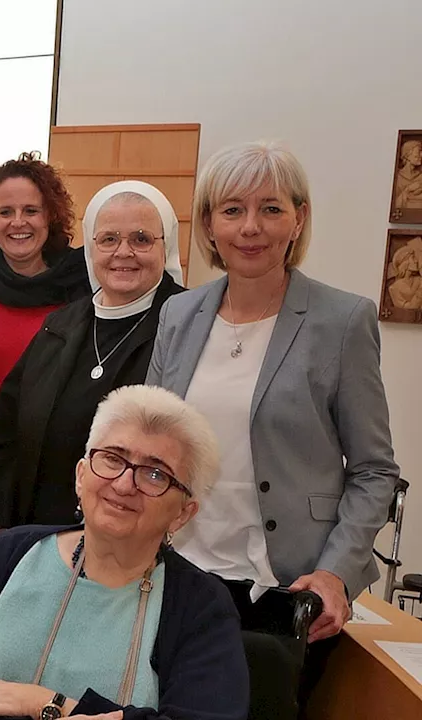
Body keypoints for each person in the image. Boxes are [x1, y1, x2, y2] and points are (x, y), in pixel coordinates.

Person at [147, 140, 399, 704]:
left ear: (299, 218)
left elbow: (374, 471)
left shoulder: (342, 320)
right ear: (210, 223)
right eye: (232, 209)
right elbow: (157, 448)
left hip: (286, 590)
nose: (250, 227)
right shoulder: (179, 314)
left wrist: (336, 572)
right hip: (178, 574)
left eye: (271, 208)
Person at [0, 385, 248, 720]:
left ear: (183, 513)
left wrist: (43, 702)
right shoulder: (8, 554)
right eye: (113, 458)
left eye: (155, 474)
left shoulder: (200, 606)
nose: (124, 484)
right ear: (81, 476)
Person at [0, 181, 185, 541]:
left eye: (141, 239)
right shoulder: (60, 325)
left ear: (166, 246)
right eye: (108, 239)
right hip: (44, 538)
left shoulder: (185, 326)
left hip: (136, 540)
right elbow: (4, 436)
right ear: (91, 246)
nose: (123, 252)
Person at [0, 152, 91, 447]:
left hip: (58, 459)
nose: (18, 222)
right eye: (6, 212)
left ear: (50, 216)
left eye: (31, 210)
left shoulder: (85, 292)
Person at [387, 236, 422, 311]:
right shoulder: (394, 288)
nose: (416, 261)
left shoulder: (420, 280)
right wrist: (419, 294)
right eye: (413, 258)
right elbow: (405, 310)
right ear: (405, 263)